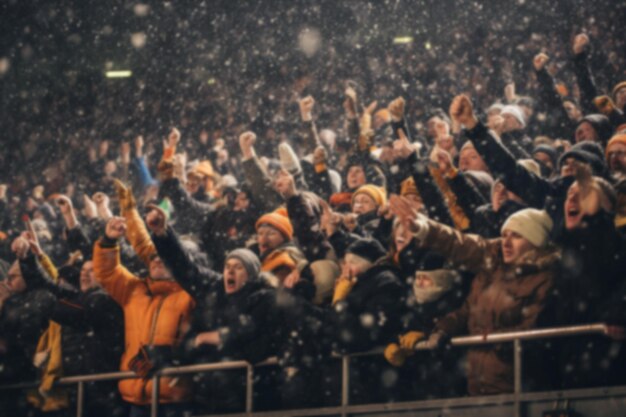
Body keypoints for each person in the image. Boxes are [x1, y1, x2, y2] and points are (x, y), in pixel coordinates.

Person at [387, 195, 558, 395]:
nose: (506, 242)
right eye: (505, 235)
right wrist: (442, 329)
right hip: (478, 386)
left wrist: (494, 339)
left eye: (517, 236)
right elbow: (459, 245)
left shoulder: (545, 278)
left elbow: (533, 328)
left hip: (519, 388)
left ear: (535, 242)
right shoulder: (493, 264)